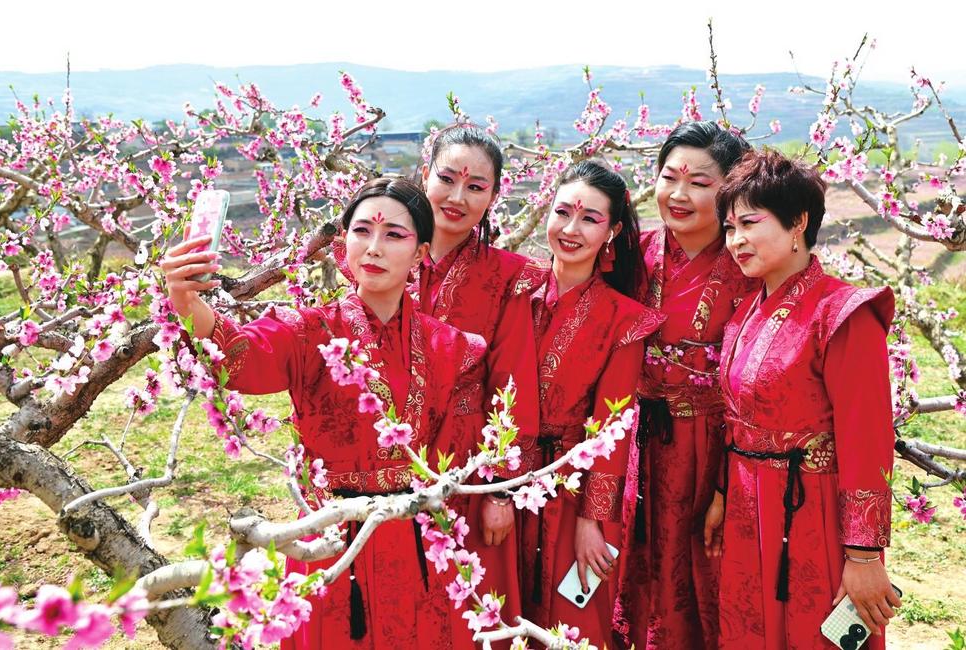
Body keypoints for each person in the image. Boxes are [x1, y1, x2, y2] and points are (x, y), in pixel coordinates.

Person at [161, 178, 488, 649]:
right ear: (343, 242)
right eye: (362, 231)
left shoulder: (453, 347)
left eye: (394, 234)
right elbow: (240, 357)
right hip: (328, 538)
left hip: (416, 540)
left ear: (420, 253)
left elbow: (462, 453)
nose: (374, 247)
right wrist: (187, 301)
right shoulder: (309, 331)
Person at [333, 124, 542, 638]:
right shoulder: (382, 254)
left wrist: (499, 492)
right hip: (381, 456)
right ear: (424, 175)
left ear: (494, 196)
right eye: (447, 179)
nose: (457, 197)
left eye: (476, 186)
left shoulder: (508, 276)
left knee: (462, 603)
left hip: (467, 463)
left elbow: (512, 385)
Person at [705, 149, 900, 648]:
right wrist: (723, 495)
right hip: (748, 511)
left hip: (811, 513)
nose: (736, 240)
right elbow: (738, 421)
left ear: (798, 222)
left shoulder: (842, 314)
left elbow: (867, 439)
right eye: (729, 228)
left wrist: (863, 556)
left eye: (750, 222)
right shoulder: (744, 312)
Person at [613, 121, 758, 650]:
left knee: (707, 575)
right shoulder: (629, 256)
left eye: (698, 183)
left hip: (713, 449)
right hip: (634, 442)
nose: (679, 194)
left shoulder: (750, 264)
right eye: (669, 177)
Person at [519, 160, 664, 646]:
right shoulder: (515, 292)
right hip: (502, 485)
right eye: (563, 212)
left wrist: (592, 522)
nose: (571, 229)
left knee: (572, 628)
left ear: (613, 231)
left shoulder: (624, 319)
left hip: (574, 491)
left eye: (590, 219)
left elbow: (610, 430)